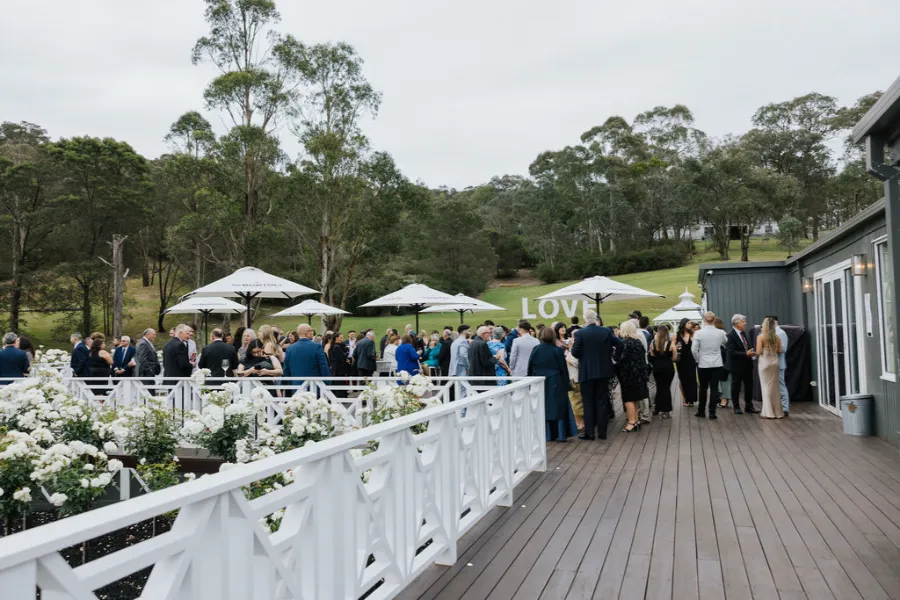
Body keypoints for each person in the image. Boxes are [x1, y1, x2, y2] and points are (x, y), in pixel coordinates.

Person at [571, 310, 623, 440]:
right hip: (603, 371)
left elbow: (575, 353)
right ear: (596, 319)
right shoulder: (605, 331)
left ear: (584, 320)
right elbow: (620, 344)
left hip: (587, 373)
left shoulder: (580, 334)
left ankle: (589, 432)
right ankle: (602, 432)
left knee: (588, 403)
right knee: (602, 402)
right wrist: (614, 359)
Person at [529, 326, 577, 442]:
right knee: (558, 408)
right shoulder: (557, 350)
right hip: (556, 381)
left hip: (539, 382)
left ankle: (547, 434)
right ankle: (560, 434)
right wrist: (567, 385)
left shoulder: (535, 349)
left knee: (543, 407)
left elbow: (530, 367)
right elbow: (563, 369)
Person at [692, 311, 727, 420]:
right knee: (714, 388)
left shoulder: (698, 333)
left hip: (703, 364)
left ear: (704, 320)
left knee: (703, 388)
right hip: (717, 363)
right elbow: (725, 341)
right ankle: (712, 412)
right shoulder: (721, 332)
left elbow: (694, 349)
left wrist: (698, 359)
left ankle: (701, 411)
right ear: (714, 320)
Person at [616, 321, 650, 432]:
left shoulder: (624, 343)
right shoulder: (638, 342)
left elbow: (621, 360)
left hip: (628, 375)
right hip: (639, 374)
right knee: (635, 399)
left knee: (628, 399)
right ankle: (636, 420)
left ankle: (632, 422)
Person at [725, 314, 759, 414]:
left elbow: (745, 346)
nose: (745, 323)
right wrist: (745, 353)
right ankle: (736, 407)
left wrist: (750, 351)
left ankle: (749, 406)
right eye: (743, 321)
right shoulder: (730, 335)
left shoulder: (743, 333)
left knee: (749, 386)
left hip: (747, 365)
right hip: (736, 366)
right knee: (736, 387)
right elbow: (730, 352)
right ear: (736, 323)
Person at [282, 323, 330, 388]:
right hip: (315, 387)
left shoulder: (290, 349)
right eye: (311, 331)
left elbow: (286, 370)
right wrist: (327, 384)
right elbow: (323, 367)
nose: (312, 333)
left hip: (296, 386)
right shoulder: (316, 346)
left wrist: (292, 384)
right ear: (306, 333)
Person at [756, 317, 785, 419]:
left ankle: (768, 412)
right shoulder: (777, 337)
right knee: (774, 387)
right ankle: (778, 412)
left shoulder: (761, 337)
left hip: (764, 362)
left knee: (765, 386)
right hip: (775, 361)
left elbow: (758, 352)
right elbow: (780, 350)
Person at [649, 324, 677, 418]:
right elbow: (675, 357)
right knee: (666, 388)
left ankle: (657, 408)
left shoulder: (653, 343)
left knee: (659, 387)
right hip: (668, 367)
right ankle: (666, 410)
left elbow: (651, 355)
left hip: (657, 367)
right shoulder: (670, 343)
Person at [769, 315, 790, 416]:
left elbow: (783, 349)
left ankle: (785, 408)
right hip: (771, 364)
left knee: (781, 386)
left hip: (778, 364)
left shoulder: (781, 333)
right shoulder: (770, 333)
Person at [675, 319, 697, 407]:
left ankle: (691, 399)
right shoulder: (677, 335)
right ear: (683, 324)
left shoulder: (693, 334)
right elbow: (672, 346)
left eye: (691, 323)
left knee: (692, 379)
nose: (690, 324)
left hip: (691, 359)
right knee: (683, 379)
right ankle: (685, 398)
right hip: (681, 360)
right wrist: (675, 347)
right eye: (688, 323)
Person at [713, 317, 732, 408]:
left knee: (725, 380)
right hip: (716, 361)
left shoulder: (723, 333)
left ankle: (725, 398)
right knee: (718, 380)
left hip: (723, 361)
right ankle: (721, 397)